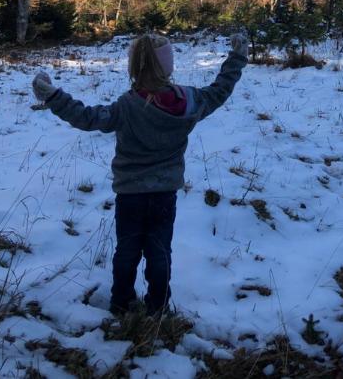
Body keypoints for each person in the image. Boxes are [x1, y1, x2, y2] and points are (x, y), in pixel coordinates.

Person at [32, 32, 249, 316]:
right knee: (160, 252)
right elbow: (220, 89)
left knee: (127, 251)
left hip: (130, 195)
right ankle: (158, 307)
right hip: (164, 194)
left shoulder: (127, 106)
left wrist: (54, 96)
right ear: (168, 67)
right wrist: (237, 57)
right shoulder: (189, 102)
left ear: (133, 67)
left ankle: (121, 304)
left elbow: (86, 117)